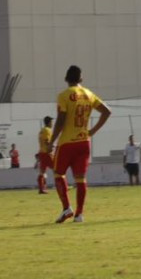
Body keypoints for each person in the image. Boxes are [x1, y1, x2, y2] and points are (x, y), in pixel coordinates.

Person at [48, 65, 112, 224]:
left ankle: (66, 208)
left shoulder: (64, 95)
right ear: (81, 79)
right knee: (81, 179)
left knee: (58, 174)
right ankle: (79, 214)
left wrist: (52, 141)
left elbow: (61, 120)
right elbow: (107, 111)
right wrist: (93, 131)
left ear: (66, 79)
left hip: (67, 143)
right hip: (84, 143)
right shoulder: (89, 94)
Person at [36, 116, 54, 194]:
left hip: (41, 153)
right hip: (47, 153)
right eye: (51, 122)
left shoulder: (41, 130)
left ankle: (41, 189)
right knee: (58, 169)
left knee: (42, 172)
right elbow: (47, 141)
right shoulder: (48, 130)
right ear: (49, 122)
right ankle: (63, 186)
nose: (52, 123)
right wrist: (52, 146)